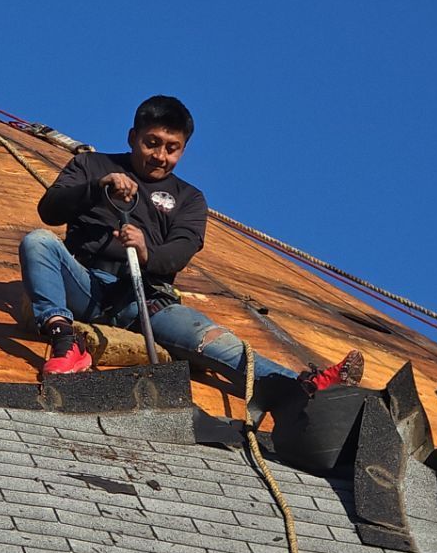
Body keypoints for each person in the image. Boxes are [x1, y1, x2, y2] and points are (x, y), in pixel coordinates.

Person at [18, 93, 363, 396]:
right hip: (86, 285)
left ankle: (304, 386)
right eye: (151, 143)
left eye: (172, 148)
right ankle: (64, 339)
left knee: (219, 343)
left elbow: (181, 251)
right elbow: (50, 210)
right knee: (38, 242)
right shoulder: (92, 165)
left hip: (147, 301)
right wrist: (98, 186)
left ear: (183, 148)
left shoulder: (190, 199)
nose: (160, 156)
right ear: (132, 137)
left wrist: (146, 250)